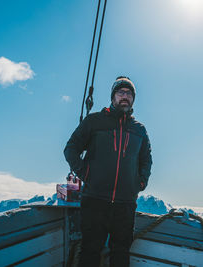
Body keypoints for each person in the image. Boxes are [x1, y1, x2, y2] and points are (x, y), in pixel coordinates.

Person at [64, 76, 152, 267]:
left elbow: (146, 160)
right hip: (95, 200)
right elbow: (71, 148)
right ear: (113, 97)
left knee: (121, 254)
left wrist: (140, 183)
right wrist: (85, 174)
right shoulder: (94, 121)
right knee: (90, 252)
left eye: (129, 94)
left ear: (133, 99)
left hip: (125, 204)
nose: (125, 96)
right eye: (121, 92)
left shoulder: (139, 130)